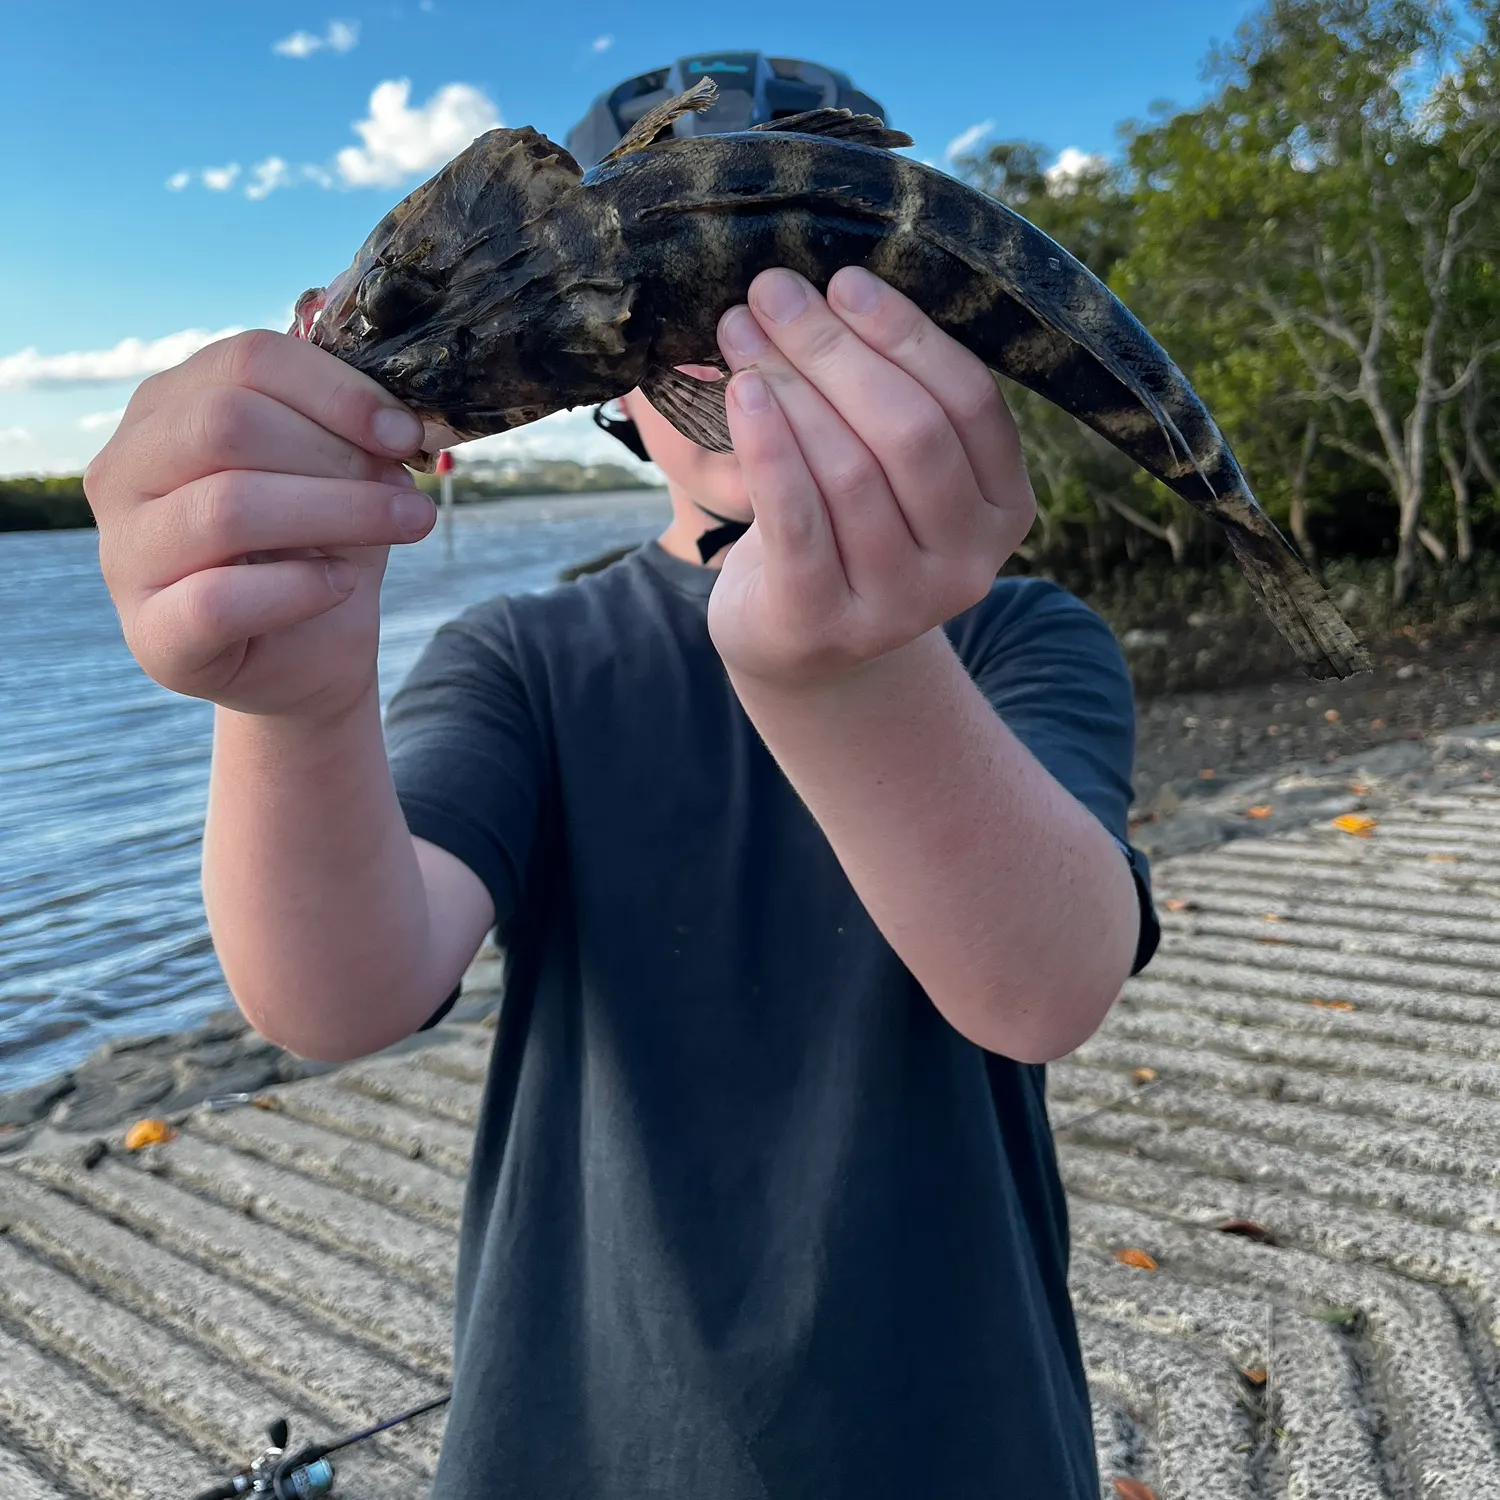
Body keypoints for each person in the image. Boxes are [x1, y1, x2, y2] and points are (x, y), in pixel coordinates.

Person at [83, 52, 1159, 1500]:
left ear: (931, 334)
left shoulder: (1029, 637)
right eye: (678, 302)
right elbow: (341, 994)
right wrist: (288, 703)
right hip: (568, 1444)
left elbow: (1047, 987)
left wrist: (848, 672)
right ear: (618, 397)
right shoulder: (523, 658)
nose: (741, 343)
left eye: (806, 281)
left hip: (959, 1437)